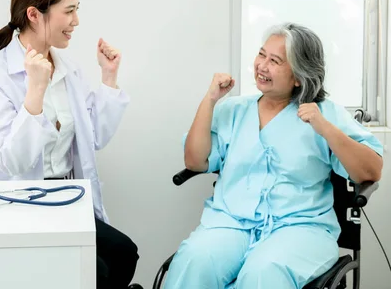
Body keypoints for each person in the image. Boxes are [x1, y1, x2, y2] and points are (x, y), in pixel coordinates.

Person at [164, 23, 383, 289]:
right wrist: (210, 100)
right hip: (231, 223)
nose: (262, 66)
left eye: (275, 61)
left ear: (299, 76)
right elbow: (194, 161)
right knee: (194, 262)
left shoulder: (325, 112)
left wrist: (324, 128)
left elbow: (370, 171)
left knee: (263, 274)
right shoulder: (234, 110)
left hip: (299, 228)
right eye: (261, 55)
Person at [0, 0, 141, 289]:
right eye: (69, 11)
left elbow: (95, 137)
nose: (76, 21)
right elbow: (11, 161)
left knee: (124, 253)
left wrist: (109, 77)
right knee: (97, 272)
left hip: (64, 198)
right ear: (35, 14)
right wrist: (35, 90)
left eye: (77, 10)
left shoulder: (68, 70)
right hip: (16, 203)